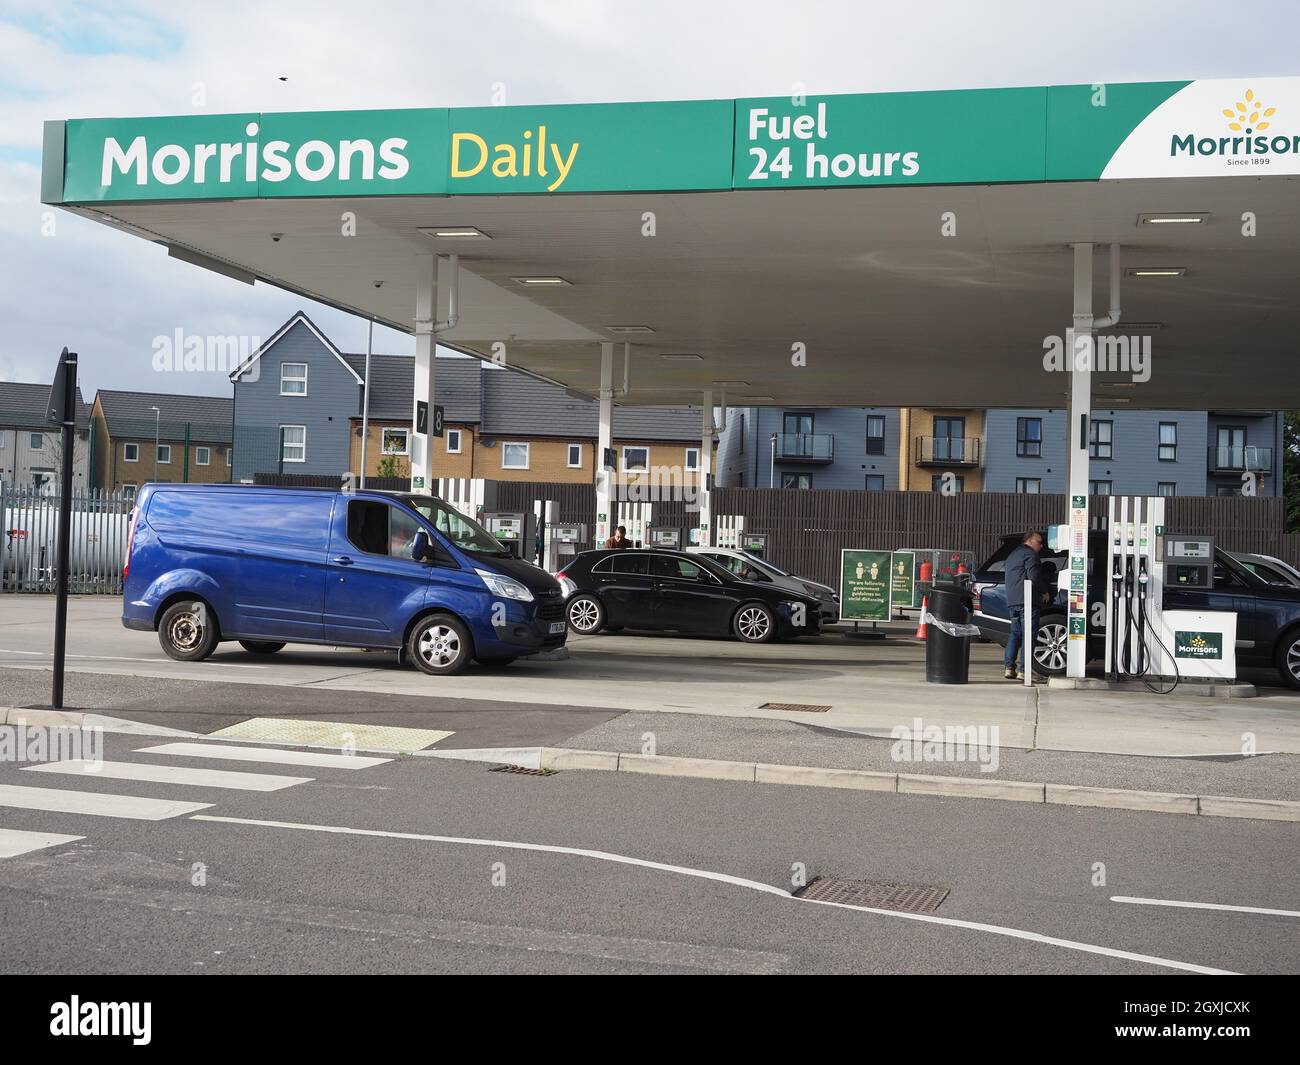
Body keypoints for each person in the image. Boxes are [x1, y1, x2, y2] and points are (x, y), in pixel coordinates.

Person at [1003, 530, 1052, 680]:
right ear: (1030, 541)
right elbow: (1034, 577)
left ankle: (1009, 668)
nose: (1041, 545)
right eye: (1039, 542)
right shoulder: (1031, 555)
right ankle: (1025, 671)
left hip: (1012, 600)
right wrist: (1045, 591)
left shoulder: (1012, 555)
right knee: (1028, 635)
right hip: (1027, 600)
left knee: (1015, 634)